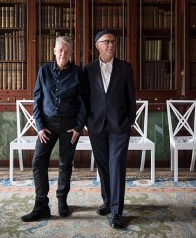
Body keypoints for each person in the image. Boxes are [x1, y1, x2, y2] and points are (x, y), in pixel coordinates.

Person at [21, 35, 87, 222]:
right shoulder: (43, 71)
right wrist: (40, 126)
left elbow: (83, 103)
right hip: (47, 126)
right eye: (60, 50)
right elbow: (37, 100)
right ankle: (41, 204)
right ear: (54, 51)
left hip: (69, 126)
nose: (63, 54)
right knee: (37, 162)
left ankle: (62, 200)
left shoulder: (77, 73)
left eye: (66, 51)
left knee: (65, 163)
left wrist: (78, 127)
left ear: (71, 54)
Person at [84, 29, 136, 229]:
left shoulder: (125, 68)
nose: (111, 45)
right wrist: (88, 121)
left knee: (116, 166)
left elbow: (132, 97)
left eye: (113, 42)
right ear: (97, 45)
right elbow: (85, 98)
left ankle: (116, 211)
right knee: (103, 165)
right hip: (96, 125)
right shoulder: (88, 70)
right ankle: (107, 200)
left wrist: (129, 121)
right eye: (106, 42)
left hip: (119, 126)